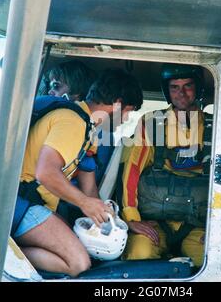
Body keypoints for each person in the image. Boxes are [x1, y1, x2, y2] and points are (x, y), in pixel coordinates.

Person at [12, 68, 143, 277]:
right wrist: (84, 203)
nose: (127, 119)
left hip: (35, 204)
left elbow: (89, 187)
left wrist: (106, 215)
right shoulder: (72, 122)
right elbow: (45, 173)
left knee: (80, 248)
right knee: (79, 264)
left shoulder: (89, 132)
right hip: (18, 204)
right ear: (117, 104)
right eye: (129, 111)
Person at [121, 63, 211, 268]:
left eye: (188, 85)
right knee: (138, 255)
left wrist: (219, 226)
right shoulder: (152, 122)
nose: (182, 93)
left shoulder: (214, 125)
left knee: (213, 261)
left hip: (198, 226)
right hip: (156, 222)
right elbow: (132, 170)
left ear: (198, 87)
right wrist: (131, 218)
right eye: (174, 87)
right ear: (166, 91)